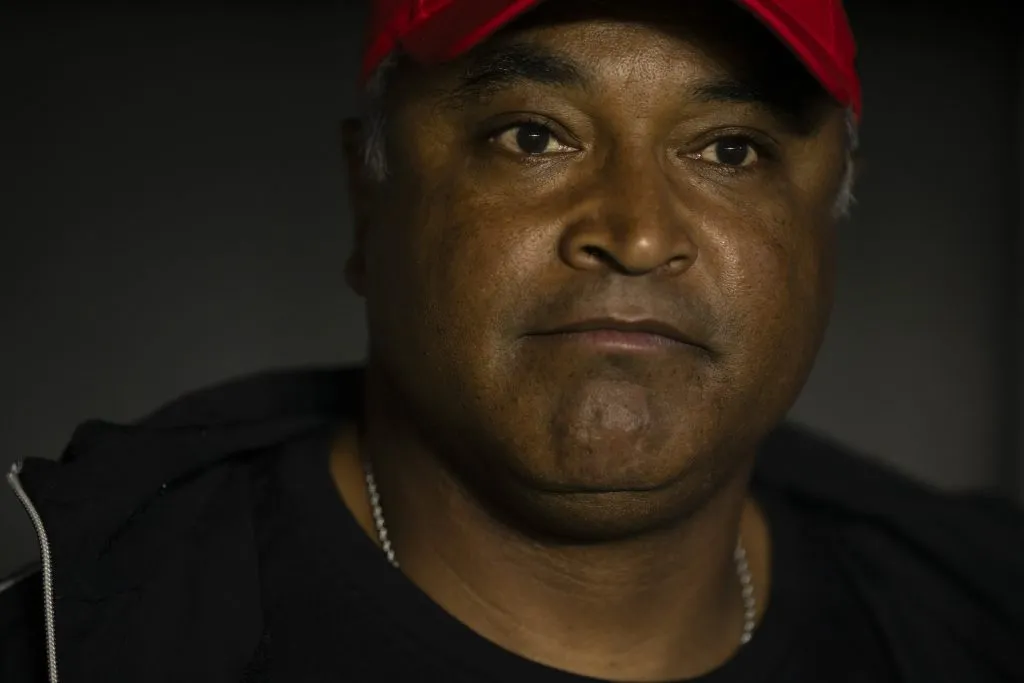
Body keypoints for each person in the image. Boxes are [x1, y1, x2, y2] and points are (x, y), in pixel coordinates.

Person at [2, 0, 1022, 681]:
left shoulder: (979, 622)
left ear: (829, 223)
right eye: (533, 135)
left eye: (730, 149)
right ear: (369, 198)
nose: (636, 231)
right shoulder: (86, 640)